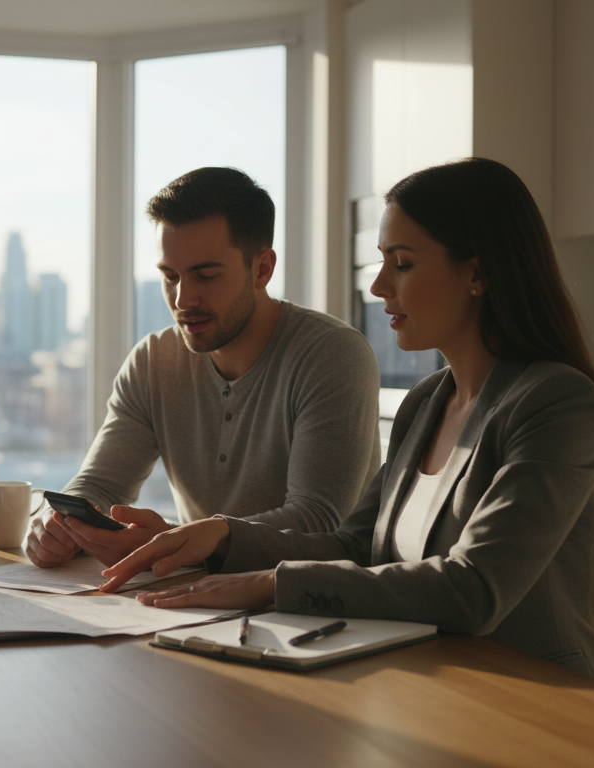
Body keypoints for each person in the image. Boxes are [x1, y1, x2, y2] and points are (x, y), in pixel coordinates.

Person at [100, 158, 594, 686]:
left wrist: (270, 583)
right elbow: (356, 546)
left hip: (548, 704)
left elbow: (475, 589)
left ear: (477, 272)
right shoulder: (426, 403)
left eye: (401, 264)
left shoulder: (557, 402)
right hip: (429, 687)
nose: (377, 287)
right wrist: (220, 538)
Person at [26, 167, 382, 568]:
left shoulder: (332, 354)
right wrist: (56, 523)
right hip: (193, 598)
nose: (182, 299)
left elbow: (317, 520)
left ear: (262, 269)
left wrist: (186, 541)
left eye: (205, 275)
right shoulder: (152, 362)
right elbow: (100, 486)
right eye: (169, 276)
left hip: (316, 606)